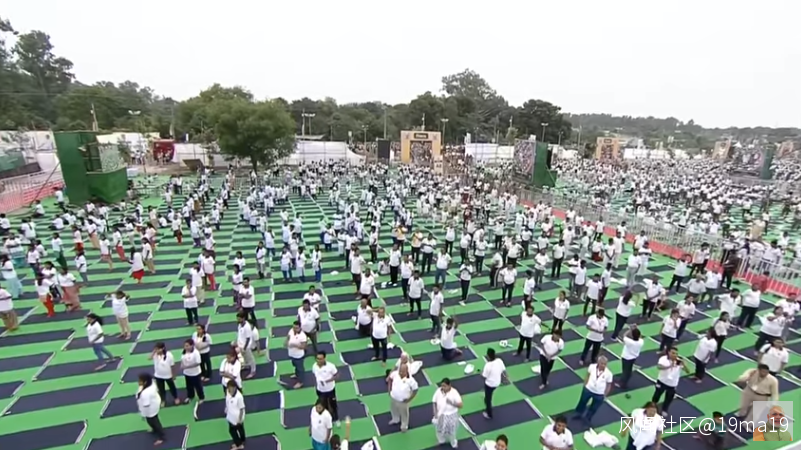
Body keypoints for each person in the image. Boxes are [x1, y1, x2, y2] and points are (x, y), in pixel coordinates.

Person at [573, 356, 613, 423]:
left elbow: (609, 385)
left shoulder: (609, 374)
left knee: (594, 407)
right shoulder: (592, 367)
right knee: (582, 402)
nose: (603, 365)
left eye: (605, 364)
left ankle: (587, 418)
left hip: (599, 393)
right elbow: (588, 375)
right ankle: (578, 414)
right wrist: (585, 385)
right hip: (588, 389)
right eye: (602, 363)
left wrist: (605, 394)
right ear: (598, 362)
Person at [652, 347, 689, 415]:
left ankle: (664, 409)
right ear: (668, 352)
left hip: (672, 384)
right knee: (657, 395)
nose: (675, 355)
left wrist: (684, 365)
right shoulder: (663, 359)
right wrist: (669, 366)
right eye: (673, 353)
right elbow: (659, 367)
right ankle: (652, 406)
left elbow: (687, 371)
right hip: (662, 381)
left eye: (676, 353)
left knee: (669, 398)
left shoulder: (679, 361)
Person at [387, 362, 419, 432]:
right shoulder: (395, 374)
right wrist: (389, 389)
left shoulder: (411, 380)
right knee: (393, 410)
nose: (401, 373)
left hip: (403, 401)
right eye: (400, 371)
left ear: (406, 371)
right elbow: (390, 379)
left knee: (404, 414)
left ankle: (404, 425)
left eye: (403, 371)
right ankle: (395, 419)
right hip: (393, 397)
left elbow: (415, 389)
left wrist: (409, 399)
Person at [136, 373, 166, 446]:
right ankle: (154, 429)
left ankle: (161, 437)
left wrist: (143, 413)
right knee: (150, 420)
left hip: (150, 409)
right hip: (153, 404)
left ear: (145, 382)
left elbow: (146, 405)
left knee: (154, 421)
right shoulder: (151, 383)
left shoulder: (146, 393)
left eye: (140, 380)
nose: (138, 382)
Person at [433, 378, 463, 448]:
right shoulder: (438, 391)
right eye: (442, 386)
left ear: (449, 385)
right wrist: (435, 414)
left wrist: (451, 403)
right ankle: (441, 440)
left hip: (451, 415)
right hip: (441, 414)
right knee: (439, 429)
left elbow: (460, 405)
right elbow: (434, 402)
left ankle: (453, 443)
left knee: (451, 431)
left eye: (445, 386)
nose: (443, 388)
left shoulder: (454, 393)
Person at [313, 351, 340, 427]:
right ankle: (326, 420)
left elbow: (337, 376)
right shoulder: (314, 366)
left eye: (321, 359)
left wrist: (328, 381)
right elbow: (315, 376)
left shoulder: (331, 366)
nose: (319, 360)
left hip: (330, 390)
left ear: (324, 358)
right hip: (320, 390)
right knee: (323, 405)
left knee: (333, 405)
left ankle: (336, 419)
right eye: (318, 358)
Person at [150, 342, 180, 406]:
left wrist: (173, 375)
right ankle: (163, 400)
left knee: (172, 388)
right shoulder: (155, 355)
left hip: (168, 375)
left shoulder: (169, 355)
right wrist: (154, 352)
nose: (157, 350)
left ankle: (176, 398)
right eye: (156, 349)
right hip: (158, 375)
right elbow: (149, 358)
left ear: (163, 348)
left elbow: (172, 366)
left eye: (158, 349)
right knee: (161, 389)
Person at [482, 348, 508, 419]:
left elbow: (484, 376)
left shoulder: (488, 365)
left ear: (488, 356)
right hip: (497, 383)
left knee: (488, 400)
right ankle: (486, 399)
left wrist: (481, 373)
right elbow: (504, 371)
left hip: (489, 384)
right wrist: (506, 379)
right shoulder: (499, 361)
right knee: (489, 394)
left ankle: (489, 415)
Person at [181, 339, 205, 404]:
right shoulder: (184, 352)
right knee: (189, 386)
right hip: (187, 373)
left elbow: (197, 363)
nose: (186, 347)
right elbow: (182, 360)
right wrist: (182, 366)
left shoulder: (196, 353)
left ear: (192, 345)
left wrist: (187, 366)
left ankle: (201, 397)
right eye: (185, 346)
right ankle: (190, 396)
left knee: (198, 386)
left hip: (195, 373)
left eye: (187, 346)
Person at [225, 379, 247, 449]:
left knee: (232, 431)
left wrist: (239, 419)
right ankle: (242, 440)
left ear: (234, 388)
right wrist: (226, 408)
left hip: (236, 418)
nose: (229, 389)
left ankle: (239, 445)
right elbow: (227, 400)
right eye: (228, 387)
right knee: (240, 429)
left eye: (230, 388)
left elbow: (242, 409)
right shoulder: (228, 392)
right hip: (230, 415)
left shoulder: (239, 397)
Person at [286, 320, 308, 389]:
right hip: (291, 353)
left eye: (296, 328)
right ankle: (296, 374)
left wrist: (294, 345)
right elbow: (288, 337)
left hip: (298, 356)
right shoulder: (291, 330)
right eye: (293, 327)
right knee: (295, 365)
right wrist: (286, 342)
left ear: (300, 327)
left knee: (300, 368)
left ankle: (300, 382)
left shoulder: (303, 336)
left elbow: (304, 347)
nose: (294, 329)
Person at [236, 312, 257, 378]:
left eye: (239, 319)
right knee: (244, 357)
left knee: (250, 358)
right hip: (240, 345)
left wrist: (244, 348)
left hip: (246, 346)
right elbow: (240, 335)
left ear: (243, 318)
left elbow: (248, 339)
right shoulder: (239, 325)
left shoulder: (247, 327)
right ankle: (246, 365)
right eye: (237, 318)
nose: (238, 320)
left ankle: (253, 371)